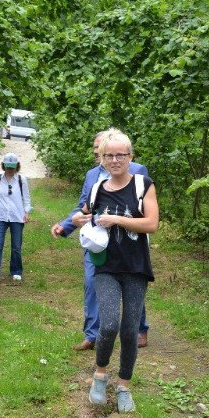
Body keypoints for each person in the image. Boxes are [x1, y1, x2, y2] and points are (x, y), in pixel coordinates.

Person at [70, 130, 158, 413]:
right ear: (102, 158)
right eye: (109, 155)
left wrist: (117, 219)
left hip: (135, 267)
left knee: (130, 330)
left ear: (131, 157)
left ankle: (124, 386)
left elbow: (152, 224)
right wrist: (76, 218)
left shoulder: (143, 185)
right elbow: (84, 212)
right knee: (108, 325)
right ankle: (99, 375)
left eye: (121, 154)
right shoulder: (98, 188)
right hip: (105, 266)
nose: (115, 160)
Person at [52, 130, 151, 351]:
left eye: (111, 152)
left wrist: (119, 220)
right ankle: (92, 335)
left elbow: (147, 214)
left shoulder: (138, 173)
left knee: (132, 287)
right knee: (91, 284)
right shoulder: (91, 176)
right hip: (97, 241)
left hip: (129, 244)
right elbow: (83, 208)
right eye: (100, 152)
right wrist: (67, 224)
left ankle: (139, 329)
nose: (107, 157)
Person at [0, 152, 32, 282]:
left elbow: (26, 198)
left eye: (12, 166)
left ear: (17, 166)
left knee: (16, 246)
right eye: (7, 166)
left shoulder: (22, 180)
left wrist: (27, 212)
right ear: (3, 165)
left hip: (17, 216)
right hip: (0, 216)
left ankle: (16, 271)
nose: (10, 169)